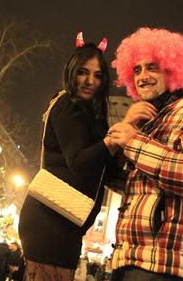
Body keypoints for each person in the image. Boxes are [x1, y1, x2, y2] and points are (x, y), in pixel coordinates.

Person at [106, 27, 183, 281]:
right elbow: (125, 184)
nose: (142, 76)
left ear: (173, 70)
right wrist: (125, 132)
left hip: (164, 267)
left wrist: (134, 143)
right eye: (136, 69)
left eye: (152, 67)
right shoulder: (149, 121)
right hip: (131, 259)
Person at [18, 32, 119, 281]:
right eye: (83, 72)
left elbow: (103, 168)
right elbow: (79, 163)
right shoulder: (69, 105)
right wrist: (112, 141)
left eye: (97, 75)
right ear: (72, 70)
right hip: (51, 222)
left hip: (64, 222)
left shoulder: (90, 114)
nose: (90, 81)